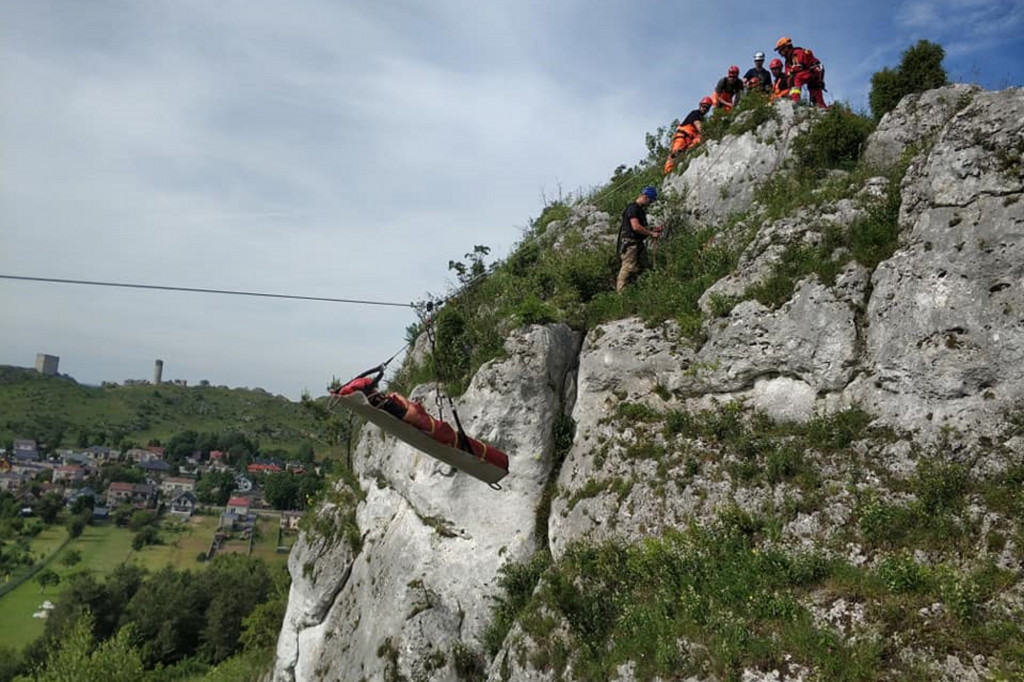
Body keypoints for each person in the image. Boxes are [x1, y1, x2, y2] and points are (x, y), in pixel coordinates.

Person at [616, 186, 663, 292]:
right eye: (650, 201)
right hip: (630, 245)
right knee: (628, 268)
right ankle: (621, 293)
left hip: (637, 244)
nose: (649, 204)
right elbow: (636, 227)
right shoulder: (633, 208)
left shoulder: (639, 210)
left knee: (643, 267)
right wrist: (651, 233)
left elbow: (640, 227)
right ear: (646, 197)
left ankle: (640, 291)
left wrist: (653, 229)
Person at [775, 36, 827, 108]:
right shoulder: (788, 62)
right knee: (792, 79)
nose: (780, 53)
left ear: (786, 48)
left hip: (813, 74)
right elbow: (788, 76)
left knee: (796, 79)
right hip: (809, 75)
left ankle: (795, 101)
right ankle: (821, 107)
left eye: (780, 50)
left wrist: (820, 80)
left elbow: (816, 66)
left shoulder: (798, 53)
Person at [663, 97, 712, 174]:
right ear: (700, 105)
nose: (704, 108)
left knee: (699, 140)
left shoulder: (702, 119)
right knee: (674, 154)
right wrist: (706, 133)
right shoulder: (695, 113)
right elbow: (698, 126)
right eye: (703, 106)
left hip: (690, 139)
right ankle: (668, 172)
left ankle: (678, 168)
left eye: (706, 107)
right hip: (682, 137)